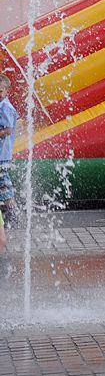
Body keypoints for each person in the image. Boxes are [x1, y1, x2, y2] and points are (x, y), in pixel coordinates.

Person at [0, 75, 16, 251]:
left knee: (4, 181)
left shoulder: (6, 107)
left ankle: (12, 211)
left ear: (7, 91)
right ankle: (7, 210)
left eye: (1, 91)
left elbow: (8, 129)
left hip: (2, 154)